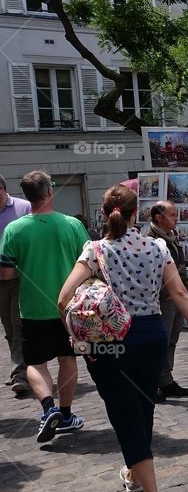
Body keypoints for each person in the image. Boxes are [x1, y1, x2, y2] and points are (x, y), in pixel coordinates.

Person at [58, 184, 188, 492]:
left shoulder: (95, 250)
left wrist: (78, 338)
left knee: (126, 416)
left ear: (104, 212)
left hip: (111, 341)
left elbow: (63, 298)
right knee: (143, 408)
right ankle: (134, 473)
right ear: (136, 213)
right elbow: (180, 292)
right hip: (152, 335)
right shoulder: (157, 247)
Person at [0, 171, 88, 442]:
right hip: (68, 308)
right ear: (49, 191)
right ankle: (66, 412)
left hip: (32, 308)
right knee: (67, 359)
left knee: (35, 363)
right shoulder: (72, 225)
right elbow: (89, 263)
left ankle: (48, 408)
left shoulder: (14, 229)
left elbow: (5, 275)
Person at [145, 201, 188, 402]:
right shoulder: (150, 239)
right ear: (159, 217)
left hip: (177, 295)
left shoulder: (171, 236)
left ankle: (166, 380)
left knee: (172, 339)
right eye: (172, 215)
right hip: (163, 298)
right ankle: (152, 384)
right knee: (160, 342)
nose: (177, 218)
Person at [0, 175, 31, 396]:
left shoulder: (23, 207)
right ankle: (18, 370)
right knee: (9, 329)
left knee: (17, 325)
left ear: (2, 188)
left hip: (18, 278)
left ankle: (20, 374)